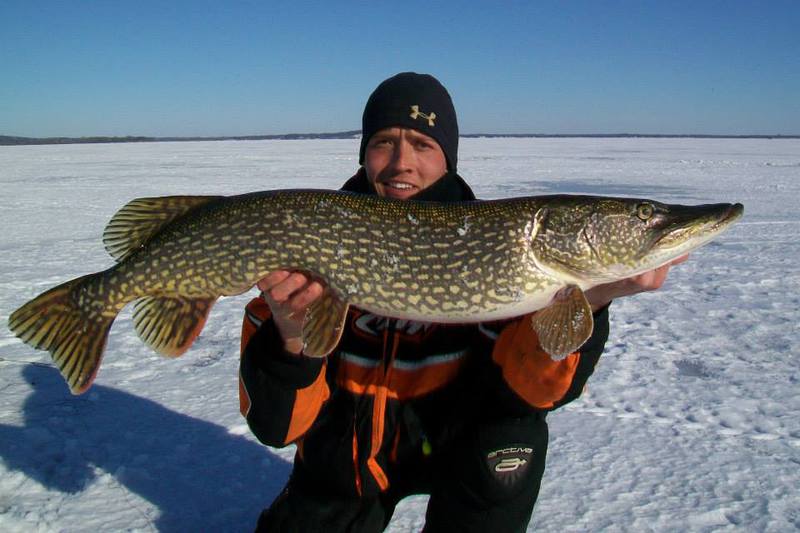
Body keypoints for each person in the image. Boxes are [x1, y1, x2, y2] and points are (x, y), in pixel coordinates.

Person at [238, 72, 687, 532]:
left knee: (512, 431)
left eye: (423, 144)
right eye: (383, 143)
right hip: (347, 455)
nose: (402, 163)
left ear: (448, 158)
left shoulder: (510, 255)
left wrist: (593, 300)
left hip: (463, 453)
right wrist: (291, 338)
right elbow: (276, 428)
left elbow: (531, 392)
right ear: (363, 154)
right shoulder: (309, 243)